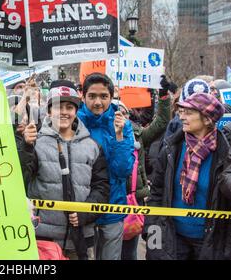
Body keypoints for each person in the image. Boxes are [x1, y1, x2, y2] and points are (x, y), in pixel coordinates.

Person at [19, 80, 110, 260]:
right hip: (44, 240)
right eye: (58, 107)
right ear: (49, 111)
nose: (63, 112)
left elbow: (102, 187)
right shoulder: (35, 143)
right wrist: (26, 148)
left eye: (69, 107)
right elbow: (20, 180)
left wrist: (86, 213)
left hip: (81, 240)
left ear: (76, 112)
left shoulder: (92, 146)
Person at [144, 92, 231, 260]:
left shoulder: (224, 154)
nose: (181, 117)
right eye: (181, 111)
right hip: (172, 237)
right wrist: (151, 235)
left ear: (207, 119)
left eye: (189, 112)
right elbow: (156, 193)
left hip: (210, 243)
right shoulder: (171, 149)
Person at [77, 73, 135, 260]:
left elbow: (124, 170)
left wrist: (119, 137)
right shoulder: (73, 123)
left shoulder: (122, 125)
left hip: (112, 208)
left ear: (111, 97)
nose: (98, 102)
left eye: (103, 96)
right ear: (83, 96)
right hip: (82, 208)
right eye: (92, 96)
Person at [113, 77, 172, 260]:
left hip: (133, 200)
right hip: (106, 202)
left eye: (122, 113)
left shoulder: (138, 136)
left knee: (129, 252)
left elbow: (161, 122)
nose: (118, 117)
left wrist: (163, 96)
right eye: (114, 113)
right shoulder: (97, 138)